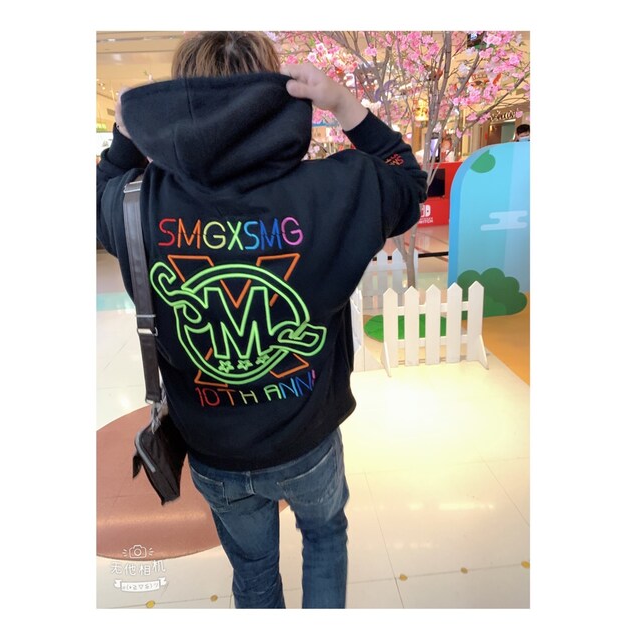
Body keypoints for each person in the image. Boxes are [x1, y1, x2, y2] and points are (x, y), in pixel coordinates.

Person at [96, 31, 427, 609]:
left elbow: (89, 195)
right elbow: (406, 177)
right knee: (325, 537)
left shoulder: (134, 202)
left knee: (252, 572)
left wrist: (125, 139)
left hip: (212, 444)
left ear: (181, 97)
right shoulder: (335, 188)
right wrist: (344, 105)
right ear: (276, 92)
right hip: (307, 436)